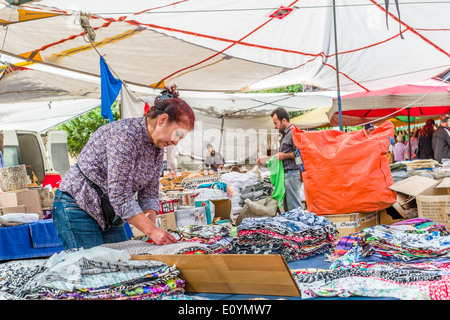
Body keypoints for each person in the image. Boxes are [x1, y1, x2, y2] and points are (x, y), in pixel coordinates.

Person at [53, 86, 195, 250]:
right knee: (93, 267)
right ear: (162, 120)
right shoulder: (125, 135)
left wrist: (152, 229)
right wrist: (152, 232)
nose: (176, 142)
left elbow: (149, 192)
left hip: (110, 213)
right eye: (177, 134)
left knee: (122, 263)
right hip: (79, 205)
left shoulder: (157, 147)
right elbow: (120, 194)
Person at [258, 107, 302, 212]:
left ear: (284, 120)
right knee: (288, 209)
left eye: (276, 123)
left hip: (293, 173)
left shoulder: (293, 133)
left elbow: (300, 154)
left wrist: (285, 156)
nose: (275, 126)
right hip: (285, 175)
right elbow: (281, 152)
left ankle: (299, 227)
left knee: (294, 208)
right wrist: (266, 156)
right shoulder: (284, 136)